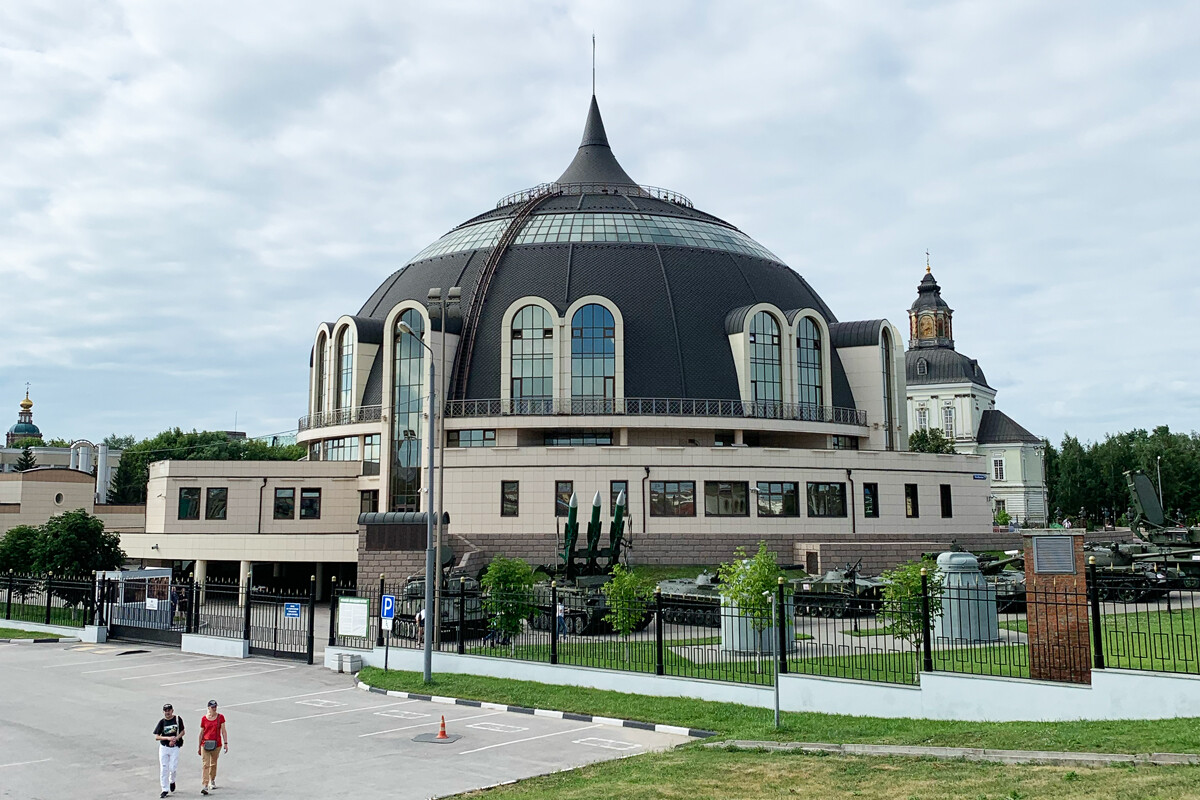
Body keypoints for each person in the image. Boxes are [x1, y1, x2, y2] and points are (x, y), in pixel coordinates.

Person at [153, 703, 185, 797]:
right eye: (166, 711)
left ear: (172, 711)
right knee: (164, 768)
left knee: (173, 768)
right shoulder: (162, 722)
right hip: (164, 748)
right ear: (163, 712)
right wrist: (167, 738)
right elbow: (157, 737)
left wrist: (176, 738)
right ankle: (164, 789)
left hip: (175, 748)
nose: (167, 713)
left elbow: (183, 731)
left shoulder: (177, 719)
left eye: (169, 710)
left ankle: (172, 780)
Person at [197, 699, 228, 795]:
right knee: (205, 764)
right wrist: (199, 746)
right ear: (208, 708)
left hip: (216, 744)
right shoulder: (204, 719)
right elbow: (202, 732)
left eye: (215, 707)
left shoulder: (220, 717)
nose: (214, 709)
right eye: (212, 707)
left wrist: (226, 743)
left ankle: (212, 779)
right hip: (205, 744)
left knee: (213, 764)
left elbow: (223, 731)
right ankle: (205, 785)